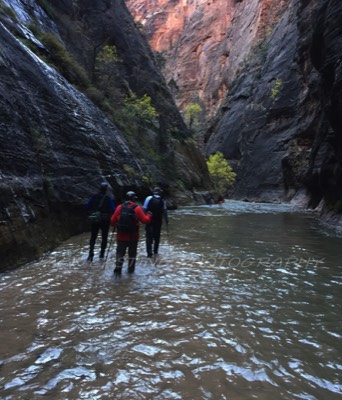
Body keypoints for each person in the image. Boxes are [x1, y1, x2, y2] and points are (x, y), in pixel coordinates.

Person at [110, 191, 152, 275]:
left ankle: (118, 271)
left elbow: (112, 221)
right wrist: (149, 215)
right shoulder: (137, 208)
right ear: (133, 199)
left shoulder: (119, 207)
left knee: (120, 253)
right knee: (132, 255)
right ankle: (130, 273)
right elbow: (144, 220)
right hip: (133, 237)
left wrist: (117, 225)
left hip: (121, 236)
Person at [86, 182, 116, 262]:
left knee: (93, 237)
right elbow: (113, 209)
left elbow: (87, 206)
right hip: (105, 220)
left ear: (99, 188)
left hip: (95, 219)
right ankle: (102, 255)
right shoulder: (108, 198)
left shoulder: (93, 197)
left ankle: (90, 255)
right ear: (106, 189)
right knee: (104, 237)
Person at [143, 187, 168, 258]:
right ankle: (156, 252)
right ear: (159, 192)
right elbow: (164, 211)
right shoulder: (163, 200)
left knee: (148, 237)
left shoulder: (148, 198)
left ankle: (149, 254)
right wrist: (166, 221)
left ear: (153, 192)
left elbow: (144, 209)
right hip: (158, 221)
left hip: (149, 220)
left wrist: (143, 219)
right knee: (157, 237)